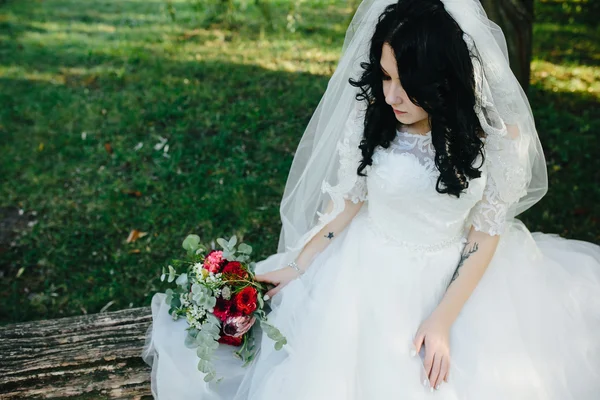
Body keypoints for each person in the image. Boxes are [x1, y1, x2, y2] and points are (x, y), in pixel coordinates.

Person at [141, 0, 600, 398]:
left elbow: (485, 235)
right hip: (366, 264)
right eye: (385, 76)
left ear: (441, 79)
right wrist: (299, 266)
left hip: (457, 274)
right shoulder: (375, 121)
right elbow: (346, 206)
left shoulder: (495, 142)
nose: (392, 95)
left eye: (407, 82)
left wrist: (442, 319)